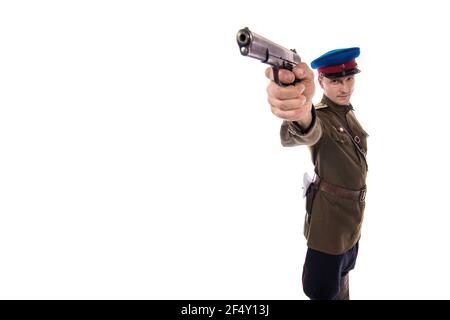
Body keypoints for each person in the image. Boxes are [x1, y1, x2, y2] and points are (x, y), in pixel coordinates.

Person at [265, 47, 368, 300]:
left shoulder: (347, 113)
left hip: (351, 226)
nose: (345, 88)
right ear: (321, 81)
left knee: (343, 282)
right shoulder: (321, 116)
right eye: (335, 81)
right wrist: (300, 114)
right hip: (328, 230)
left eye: (349, 78)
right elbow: (309, 129)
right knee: (322, 291)